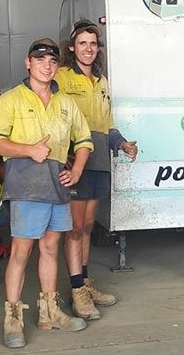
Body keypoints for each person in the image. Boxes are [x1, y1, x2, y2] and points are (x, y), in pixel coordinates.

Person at [0, 38, 94, 348]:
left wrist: (76, 171)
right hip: (26, 184)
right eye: (40, 59)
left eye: (52, 61)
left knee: (50, 247)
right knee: (21, 251)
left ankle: (50, 313)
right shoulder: (12, 100)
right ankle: (13, 318)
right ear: (28, 63)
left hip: (56, 185)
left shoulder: (66, 103)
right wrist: (28, 149)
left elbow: (84, 140)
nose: (47, 65)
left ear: (58, 66)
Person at [55, 19, 138, 321]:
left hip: (99, 160)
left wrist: (122, 143)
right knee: (74, 229)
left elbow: (107, 124)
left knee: (88, 227)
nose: (88, 49)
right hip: (76, 160)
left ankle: (85, 284)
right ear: (72, 48)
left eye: (93, 44)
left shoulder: (102, 82)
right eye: (82, 43)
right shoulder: (62, 78)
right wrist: (61, 154)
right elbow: (54, 116)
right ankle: (77, 292)